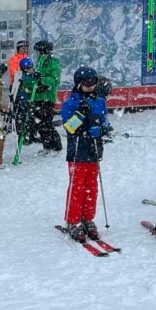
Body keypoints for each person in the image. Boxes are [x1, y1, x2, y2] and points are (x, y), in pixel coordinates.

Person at [59, 66, 110, 241]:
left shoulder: (100, 102)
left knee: (91, 188)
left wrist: (101, 130)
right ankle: (73, 221)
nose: (91, 86)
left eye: (94, 82)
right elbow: (68, 127)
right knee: (77, 188)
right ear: (79, 84)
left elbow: (106, 123)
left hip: (93, 150)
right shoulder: (71, 103)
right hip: (77, 151)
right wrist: (81, 114)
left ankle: (88, 218)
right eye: (87, 82)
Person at [21, 40, 62, 153]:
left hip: (47, 98)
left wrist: (42, 80)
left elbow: (54, 80)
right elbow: (34, 79)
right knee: (39, 124)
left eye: (39, 50)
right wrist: (29, 81)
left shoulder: (53, 63)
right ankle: (47, 146)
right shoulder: (39, 62)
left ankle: (56, 147)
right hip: (37, 97)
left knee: (46, 123)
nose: (37, 53)